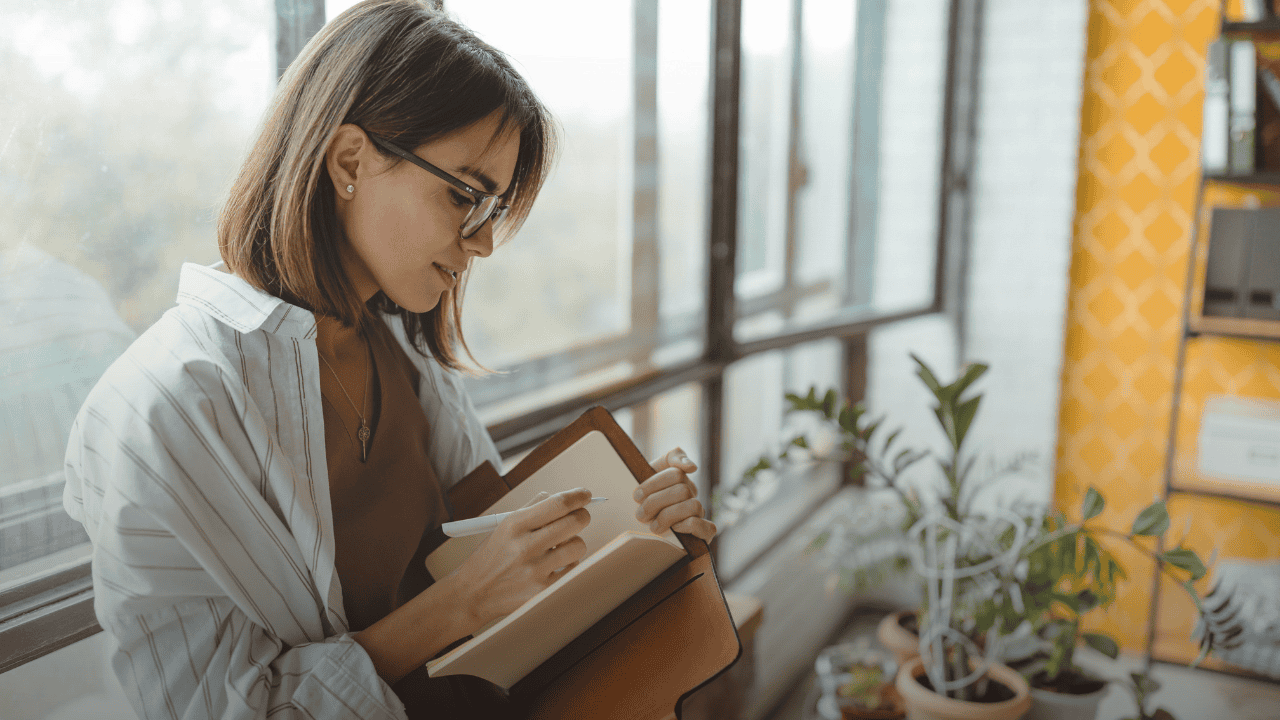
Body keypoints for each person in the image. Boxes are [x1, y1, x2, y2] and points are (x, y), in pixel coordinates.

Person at [61, 2, 716, 718]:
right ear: (350, 161)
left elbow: (503, 576)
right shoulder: (165, 406)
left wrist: (637, 526)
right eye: (464, 194)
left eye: (491, 207)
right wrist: (455, 607)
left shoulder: (403, 357)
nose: (484, 243)